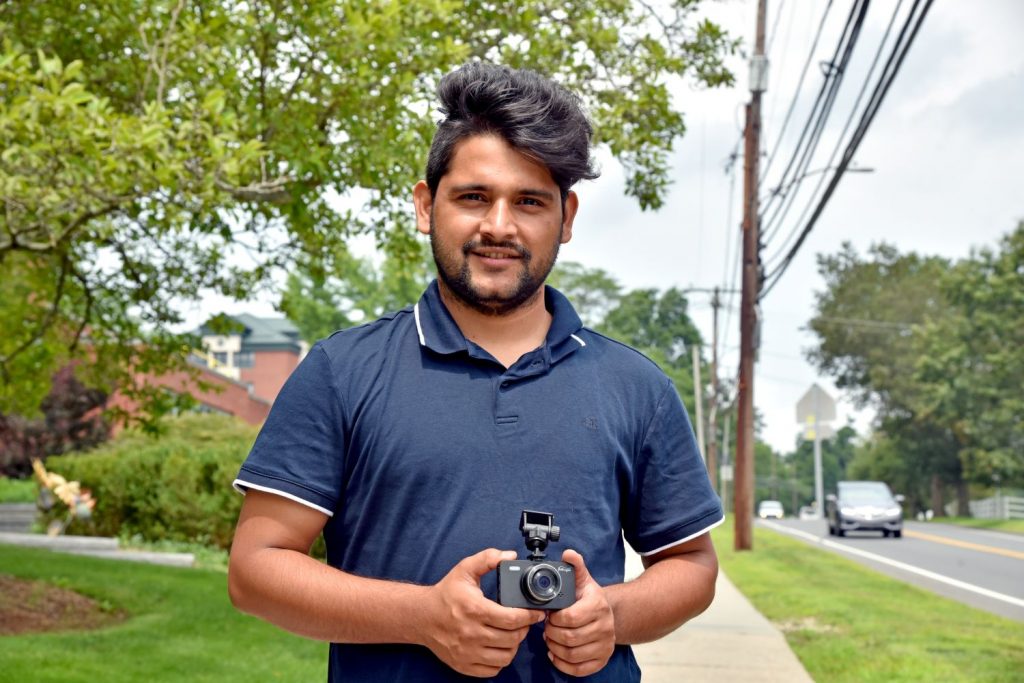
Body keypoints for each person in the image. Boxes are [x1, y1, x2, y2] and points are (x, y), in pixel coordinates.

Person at [228, 61, 723, 682]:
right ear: (425, 203)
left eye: (529, 202)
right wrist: (422, 616)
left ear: (566, 218)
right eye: (473, 197)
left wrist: (611, 616)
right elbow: (256, 569)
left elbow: (692, 565)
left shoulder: (637, 387)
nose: (498, 226)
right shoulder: (340, 372)